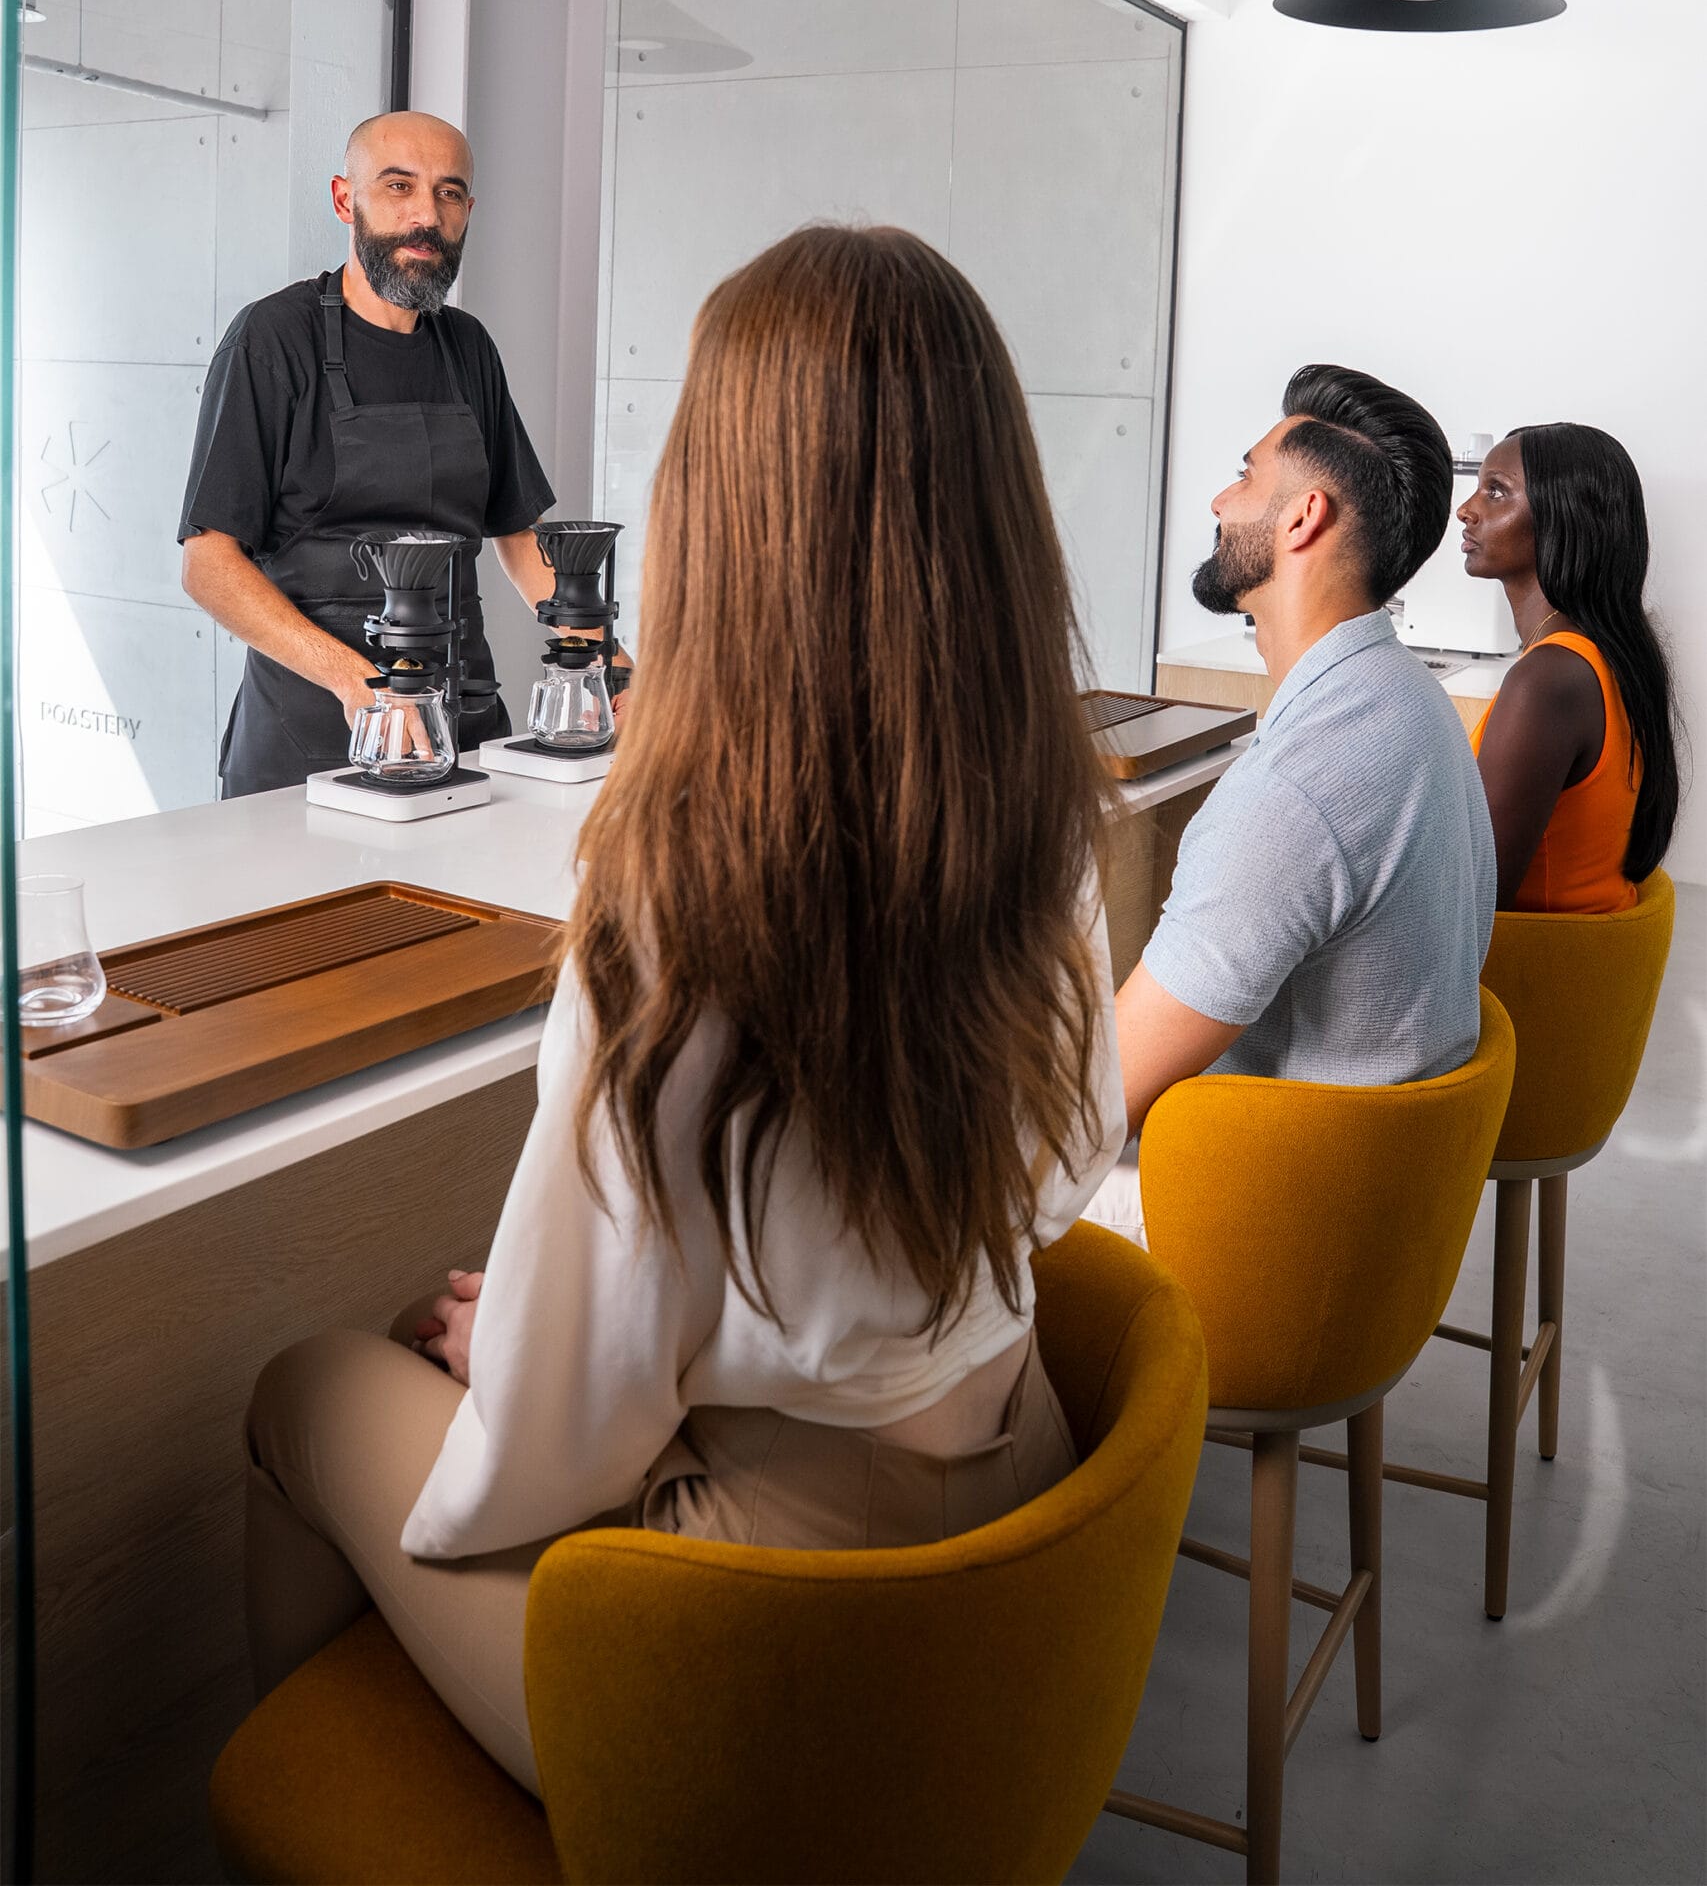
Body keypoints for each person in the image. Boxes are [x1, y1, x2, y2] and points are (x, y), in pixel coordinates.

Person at [241, 225, 1129, 1794]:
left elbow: (563, 1429)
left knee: (311, 1387)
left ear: (720, 510)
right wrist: (581, 1340)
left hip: (756, 1641)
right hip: (1014, 1506)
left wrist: (517, 1354)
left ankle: (347, 1808)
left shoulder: (680, 893)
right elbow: (1065, 1163)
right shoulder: (1042, 815)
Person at [1090, 364, 1495, 1242]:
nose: (1217, 501)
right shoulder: (1412, 701)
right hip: (1377, 1215)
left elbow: (1094, 1106)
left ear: (1302, 516)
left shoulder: (1293, 789)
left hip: (1268, 1225)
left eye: (1244, 476)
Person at [180, 111, 567, 796]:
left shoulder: (468, 347)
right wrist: (355, 683)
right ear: (344, 199)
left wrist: (598, 651)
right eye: (398, 186)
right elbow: (208, 566)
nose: (426, 215)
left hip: (462, 731)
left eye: (448, 193)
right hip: (309, 745)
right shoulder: (272, 338)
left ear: (468, 212)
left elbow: (517, 534)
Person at [1458, 424, 1679, 911]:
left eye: (1496, 491)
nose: (1466, 510)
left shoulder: (1548, 679)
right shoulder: (1600, 653)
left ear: (1563, 518)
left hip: (1529, 956)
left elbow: (1476, 895)